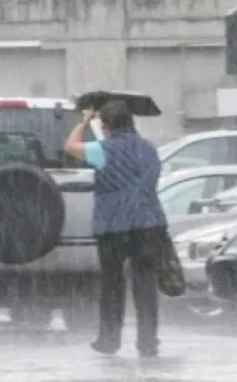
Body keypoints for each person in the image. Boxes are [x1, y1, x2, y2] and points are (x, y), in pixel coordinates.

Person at [64, 100, 168, 358]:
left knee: (112, 283)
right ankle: (148, 341)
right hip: (148, 222)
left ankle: (109, 339)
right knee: (145, 283)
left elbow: (70, 146)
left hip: (113, 225)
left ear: (106, 126)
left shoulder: (102, 150)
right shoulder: (149, 149)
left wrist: (83, 120)